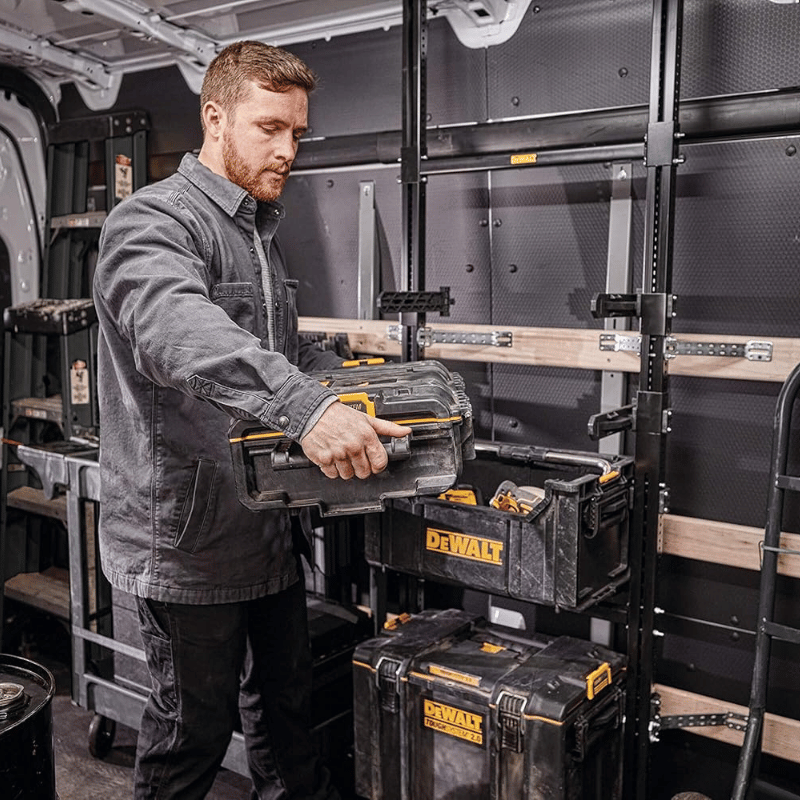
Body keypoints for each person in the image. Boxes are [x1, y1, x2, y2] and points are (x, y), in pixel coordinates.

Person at [92, 40, 411, 800]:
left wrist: (374, 388)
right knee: (191, 737)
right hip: (188, 544)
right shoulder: (152, 223)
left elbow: (280, 352)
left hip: (267, 530)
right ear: (215, 118)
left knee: (287, 720)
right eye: (270, 128)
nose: (288, 150)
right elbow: (179, 332)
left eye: (297, 133)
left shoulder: (257, 233)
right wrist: (307, 409)